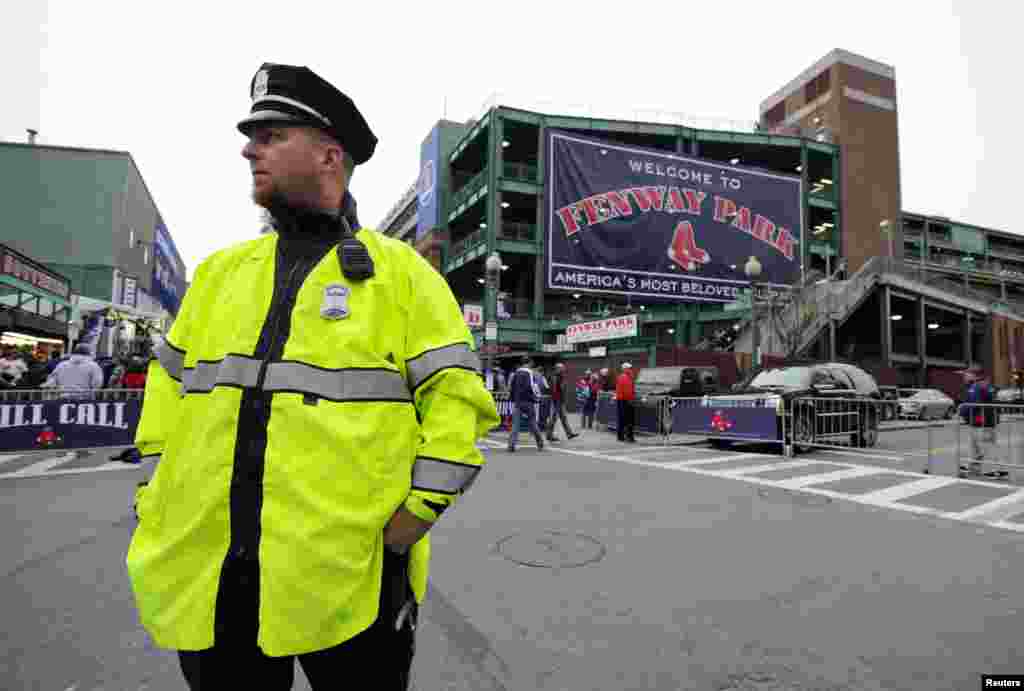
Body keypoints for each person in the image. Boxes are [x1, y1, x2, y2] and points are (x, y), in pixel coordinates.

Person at [125, 62, 499, 691]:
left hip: (350, 579)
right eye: (253, 136)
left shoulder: (403, 276)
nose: (249, 148)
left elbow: (460, 402)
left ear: (329, 155)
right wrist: (153, 493)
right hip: (213, 575)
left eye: (270, 135)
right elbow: (165, 389)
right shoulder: (219, 274)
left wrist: (414, 519)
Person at [959, 370, 1006, 479]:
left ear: (973, 376)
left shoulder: (975, 387)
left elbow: (974, 404)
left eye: (966, 375)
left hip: (980, 422)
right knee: (976, 446)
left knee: (986, 446)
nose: (964, 377)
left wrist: (961, 411)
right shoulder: (989, 386)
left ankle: (997, 470)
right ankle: (973, 467)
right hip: (987, 421)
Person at [507, 357, 545, 452]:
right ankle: (540, 442)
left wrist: (512, 398)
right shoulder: (530, 373)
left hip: (518, 402)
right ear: (529, 363)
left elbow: (512, 387)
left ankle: (511, 444)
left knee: (515, 424)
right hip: (528, 401)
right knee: (532, 423)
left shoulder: (516, 373)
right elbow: (533, 386)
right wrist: (537, 397)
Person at [546, 362, 579, 442]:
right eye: (562, 368)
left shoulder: (560, 376)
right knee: (553, 419)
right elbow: (553, 389)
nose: (563, 369)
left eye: (563, 368)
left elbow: (561, 388)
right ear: (558, 368)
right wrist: (555, 399)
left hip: (560, 400)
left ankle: (569, 433)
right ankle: (549, 435)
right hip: (556, 400)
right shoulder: (554, 377)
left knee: (563, 418)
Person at [615, 362, 637, 442]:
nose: (631, 369)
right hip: (625, 400)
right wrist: (631, 398)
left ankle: (622, 436)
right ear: (625, 369)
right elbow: (627, 391)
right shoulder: (625, 377)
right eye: (629, 368)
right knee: (627, 419)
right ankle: (627, 436)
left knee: (623, 419)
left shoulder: (627, 377)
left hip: (623, 400)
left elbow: (630, 389)